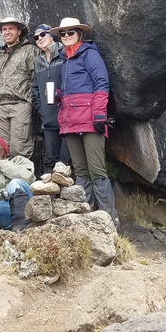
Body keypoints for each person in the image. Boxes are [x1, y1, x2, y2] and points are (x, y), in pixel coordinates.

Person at [50, 17, 119, 227]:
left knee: (97, 170)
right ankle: (86, 219)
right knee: (80, 171)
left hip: (91, 120)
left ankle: (109, 221)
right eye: (63, 33)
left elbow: (101, 83)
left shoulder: (90, 54)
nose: (66, 36)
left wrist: (99, 115)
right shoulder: (66, 59)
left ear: (80, 34)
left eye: (71, 32)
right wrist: (59, 95)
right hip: (70, 120)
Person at [0, 17, 38, 158]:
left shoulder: (30, 51)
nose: (7, 32)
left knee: (19, 147)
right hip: (0, 107)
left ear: (19, 31)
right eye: (4, 29)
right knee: (1, 149)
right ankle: (6, 179)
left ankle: (21, 179)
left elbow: (36, 79)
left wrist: (31, 104)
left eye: (11, 28)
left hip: (21, 104)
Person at [31, 24, 71, 173]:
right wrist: (42, 110)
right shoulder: (37, 61)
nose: (39, 39)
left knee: (66, 161)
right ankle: (50, 195)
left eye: (43, 35)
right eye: (36, 37)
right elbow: (34, 89)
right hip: (48, 119)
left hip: (67, 117)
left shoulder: (65, 53)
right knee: (50, 161)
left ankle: (71, 195)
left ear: (51, 35)